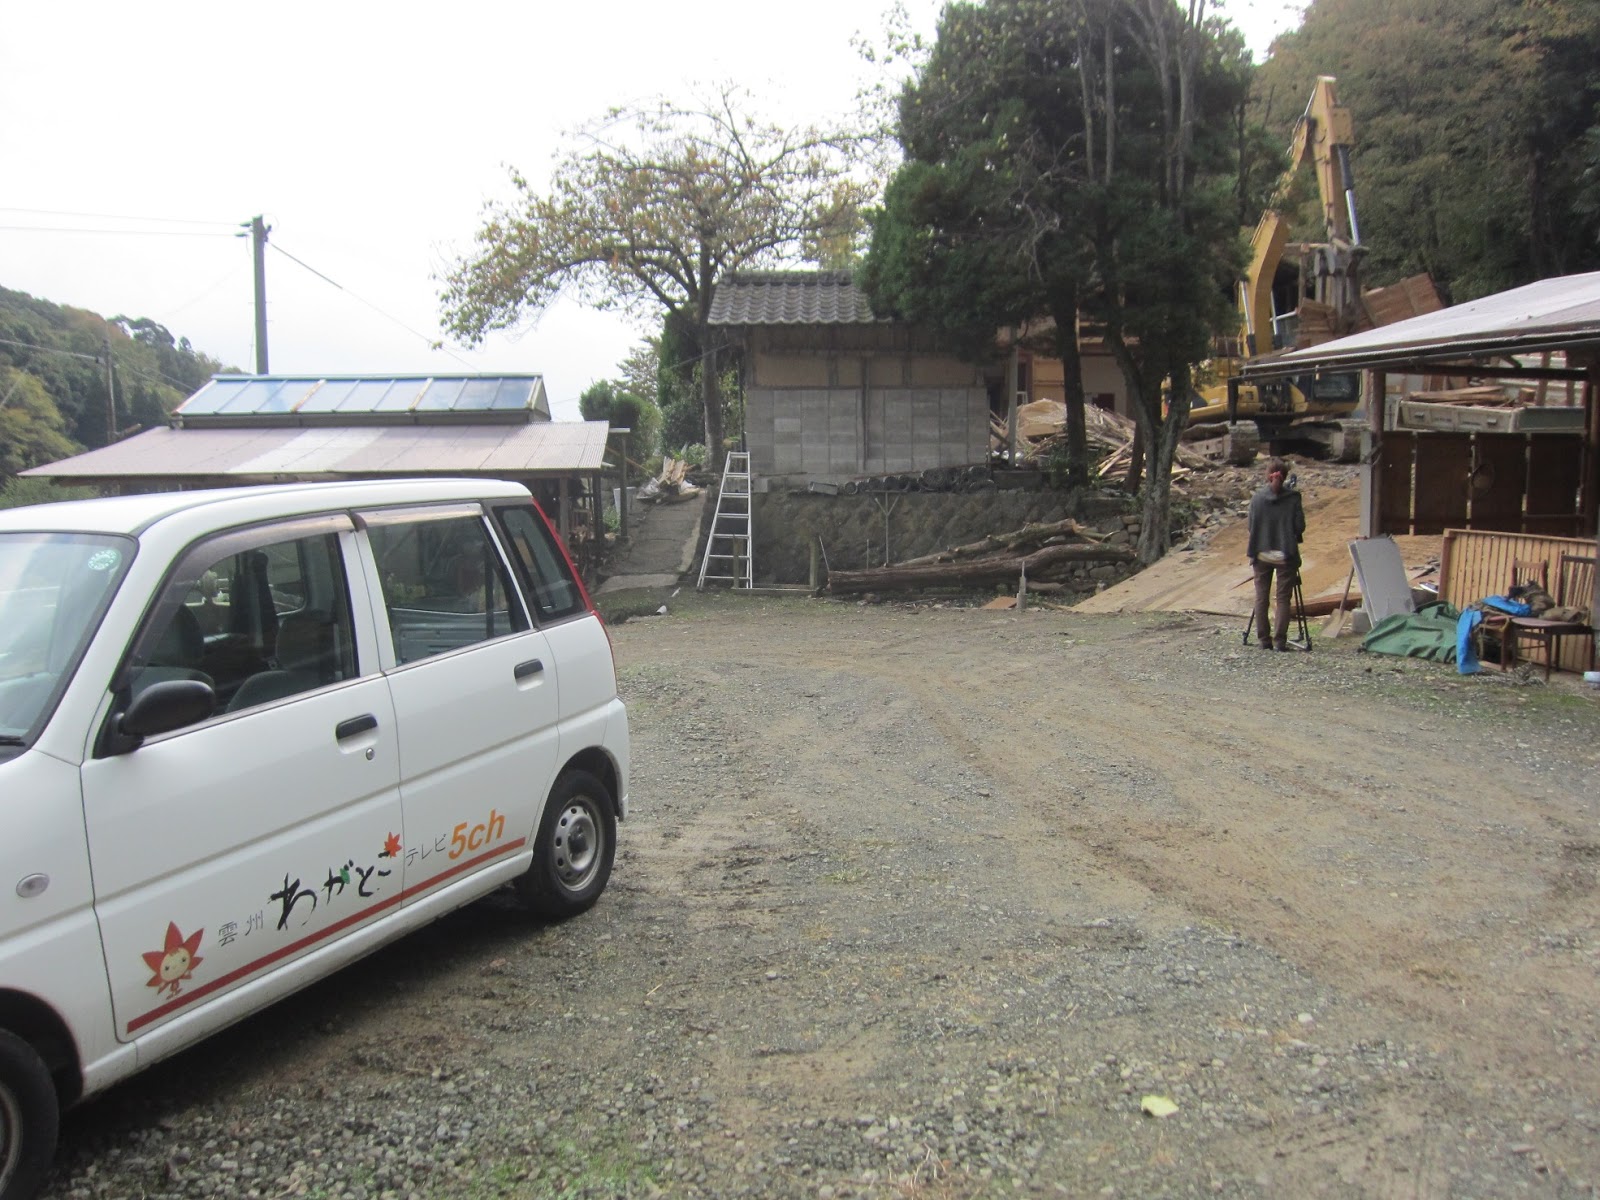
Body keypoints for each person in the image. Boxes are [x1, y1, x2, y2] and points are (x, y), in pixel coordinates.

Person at [1246, 457, 1305, 650]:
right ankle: (1280, 641)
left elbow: (1250, 527)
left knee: (1261, 596)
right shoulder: (1294, 498)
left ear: (1267, 475)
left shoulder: (1256, 498)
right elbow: (1300, 527)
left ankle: (1264, 640)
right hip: (1285, 554)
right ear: (1285, 476)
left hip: (1261, 552)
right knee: (1282, 598)